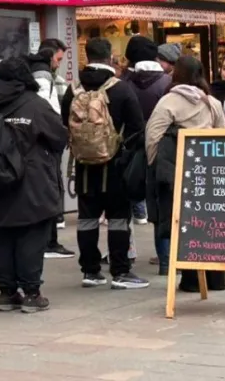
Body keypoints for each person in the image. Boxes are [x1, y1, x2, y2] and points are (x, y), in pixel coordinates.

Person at [0, 57, 69, 313]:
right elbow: (59, 137)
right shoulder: (34, 104)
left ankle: (6, 293)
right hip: (30, 181)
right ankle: (31, 293)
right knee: (31, 236)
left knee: (2, 236)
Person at [60, 37, 149, 289]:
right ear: (110, 57)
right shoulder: (120, 88)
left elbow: (64, 122)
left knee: (87, 218)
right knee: (118, 218)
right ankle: (120, 271)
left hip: (84, 166)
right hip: (116, 165)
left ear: (87, 57)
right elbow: (136, 126)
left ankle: (90, 271)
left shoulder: (74, 89)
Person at [146, 56, 225, 288]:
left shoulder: (168, 102)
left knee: (187, 224)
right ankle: (216, 278)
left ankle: (191, 279)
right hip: (210, 171)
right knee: (211, 223)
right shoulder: (212, 102)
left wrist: (157, 165)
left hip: (178, 172)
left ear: (176, 74)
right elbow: (224, 135)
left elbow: (152, 136)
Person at [122, 36, 172, 266]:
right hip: (163, 149)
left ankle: (126, 252)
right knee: (160, 203)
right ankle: (165, 260)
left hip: (129, 149)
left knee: (124, 205)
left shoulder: (123, 83)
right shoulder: (167, 84)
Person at [31, 38, 76, 260]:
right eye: (58, 59)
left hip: (44, 143)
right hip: (47, 144)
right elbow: (49, 112)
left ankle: (49, 238)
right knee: (49, 187)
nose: (59, 63)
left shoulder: (46, 77)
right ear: (50, 57)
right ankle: (48, 241)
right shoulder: (44, 79)